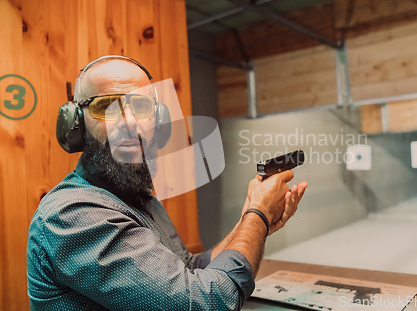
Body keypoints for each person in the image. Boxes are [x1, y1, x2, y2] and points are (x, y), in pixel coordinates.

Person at [26, 55, 308, 310]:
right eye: (107, 106)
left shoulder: (138, 198)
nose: (130, 122)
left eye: (142, 106)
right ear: (75, 123)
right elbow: (205, 303)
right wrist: (257, 215)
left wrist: (251, 222)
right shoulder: (73, 214)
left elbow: (188, 269)